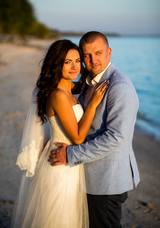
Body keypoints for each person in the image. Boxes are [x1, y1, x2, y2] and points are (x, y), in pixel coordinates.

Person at [11, 39, 108, 228]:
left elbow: (82, 85)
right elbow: (78, 137)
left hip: (66, 159)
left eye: (77, 60)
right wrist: (94, 105)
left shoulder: (68, 88)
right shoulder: (58, 95)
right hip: (59, 165)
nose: (74, 66)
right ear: (57, 64)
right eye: (67, 62)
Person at [49, 31, 140, 228]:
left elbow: (116, 137)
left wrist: (70, 154)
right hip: (87, 176)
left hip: (106, 179)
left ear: (109, 52)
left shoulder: (119, 87)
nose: (93, 60)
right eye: (87, 56)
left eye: (98, 53)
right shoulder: (89, 81)